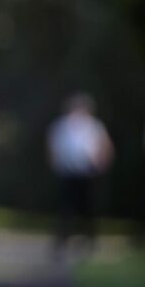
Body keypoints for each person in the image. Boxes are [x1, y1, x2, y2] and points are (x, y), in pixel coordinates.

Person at [48, 92, 113, 252]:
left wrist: (102, 164)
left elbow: (105, 146)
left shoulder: (94, 125)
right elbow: (52, 147)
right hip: (67, 173)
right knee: (65, 209)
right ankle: (62, 241)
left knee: (88, 209)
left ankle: (90, 241)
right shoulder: (61, 126)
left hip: (87, 173)